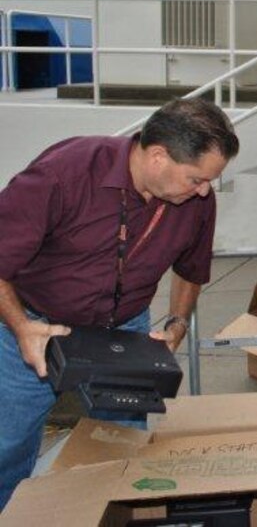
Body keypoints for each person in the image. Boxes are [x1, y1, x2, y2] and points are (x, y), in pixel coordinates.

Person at [0, 97, 239, 509]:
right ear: (158, 156)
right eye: (196, 178)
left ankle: (107, 516)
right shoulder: (64, 175)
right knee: (7, 443)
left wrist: (176, 327)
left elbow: (191, 270)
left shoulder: (197, 202)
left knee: (121, 446)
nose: (204, 190)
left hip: (125, 332)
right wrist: (21, 327)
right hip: (36, 328)